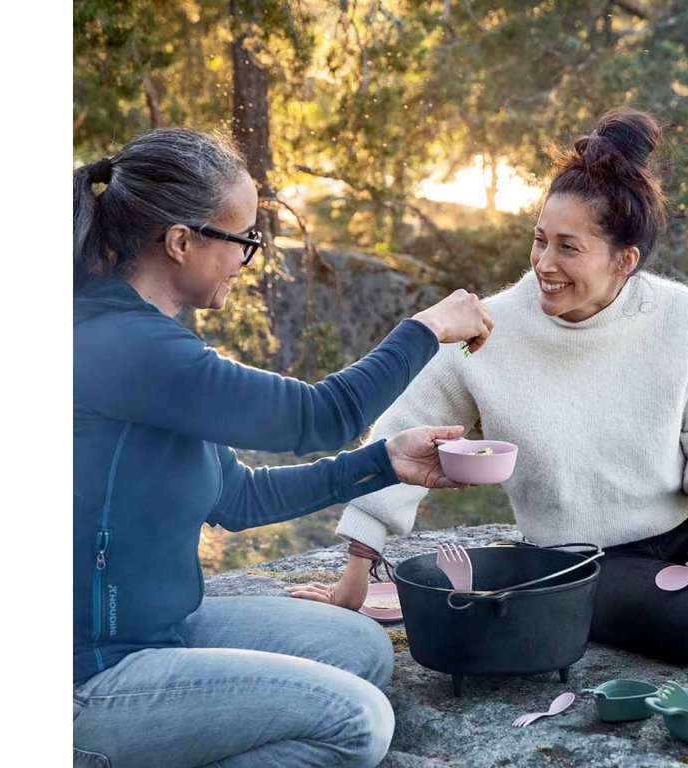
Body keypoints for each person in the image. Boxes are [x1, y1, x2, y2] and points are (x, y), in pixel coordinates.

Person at [291, 107, 688, 678]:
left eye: (568, 247)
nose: (544, 264)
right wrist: (355, 576)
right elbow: (399, 440)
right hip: (582, 559)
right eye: (539, 241)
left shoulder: (683, 318)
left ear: (624, 260)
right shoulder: (489, 331)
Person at [72, 127, 494, 768]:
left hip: (160, 630)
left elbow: (238, 497)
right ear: (181, 242)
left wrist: (384, 462)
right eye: (243, 240)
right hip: (91, 677)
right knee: (359, 722)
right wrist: (426, 328)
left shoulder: (152, 346)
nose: (248, 259)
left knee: (361, 649)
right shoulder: (123, 347)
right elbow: (321, 416)